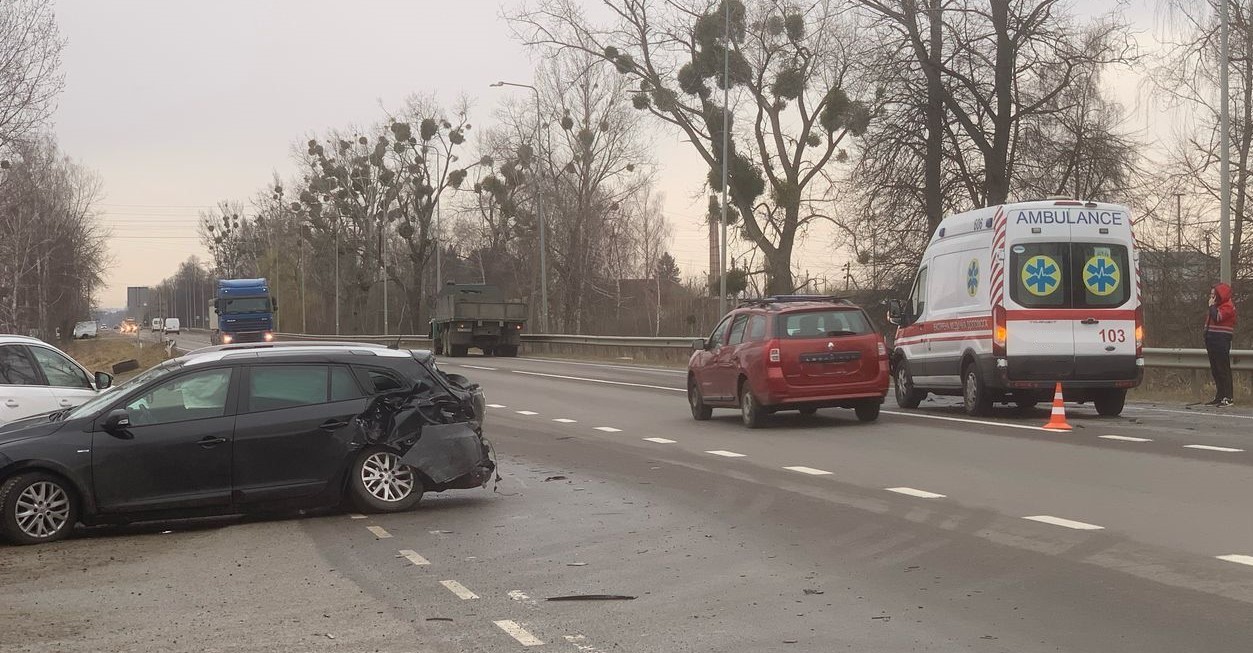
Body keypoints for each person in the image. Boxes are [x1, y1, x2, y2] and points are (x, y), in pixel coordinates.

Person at [1204, 282, 1237, 407]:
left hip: (1221, 339)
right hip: (1212, 339)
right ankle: (1220, 395)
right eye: (1211, 294)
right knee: (1215, 370)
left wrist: (1211, 307)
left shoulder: (1228, 306)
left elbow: (1218, 317)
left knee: (1223, 369)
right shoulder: (1215, 306)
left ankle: (1228, 397)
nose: (1211, 297)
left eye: (1213, 295)